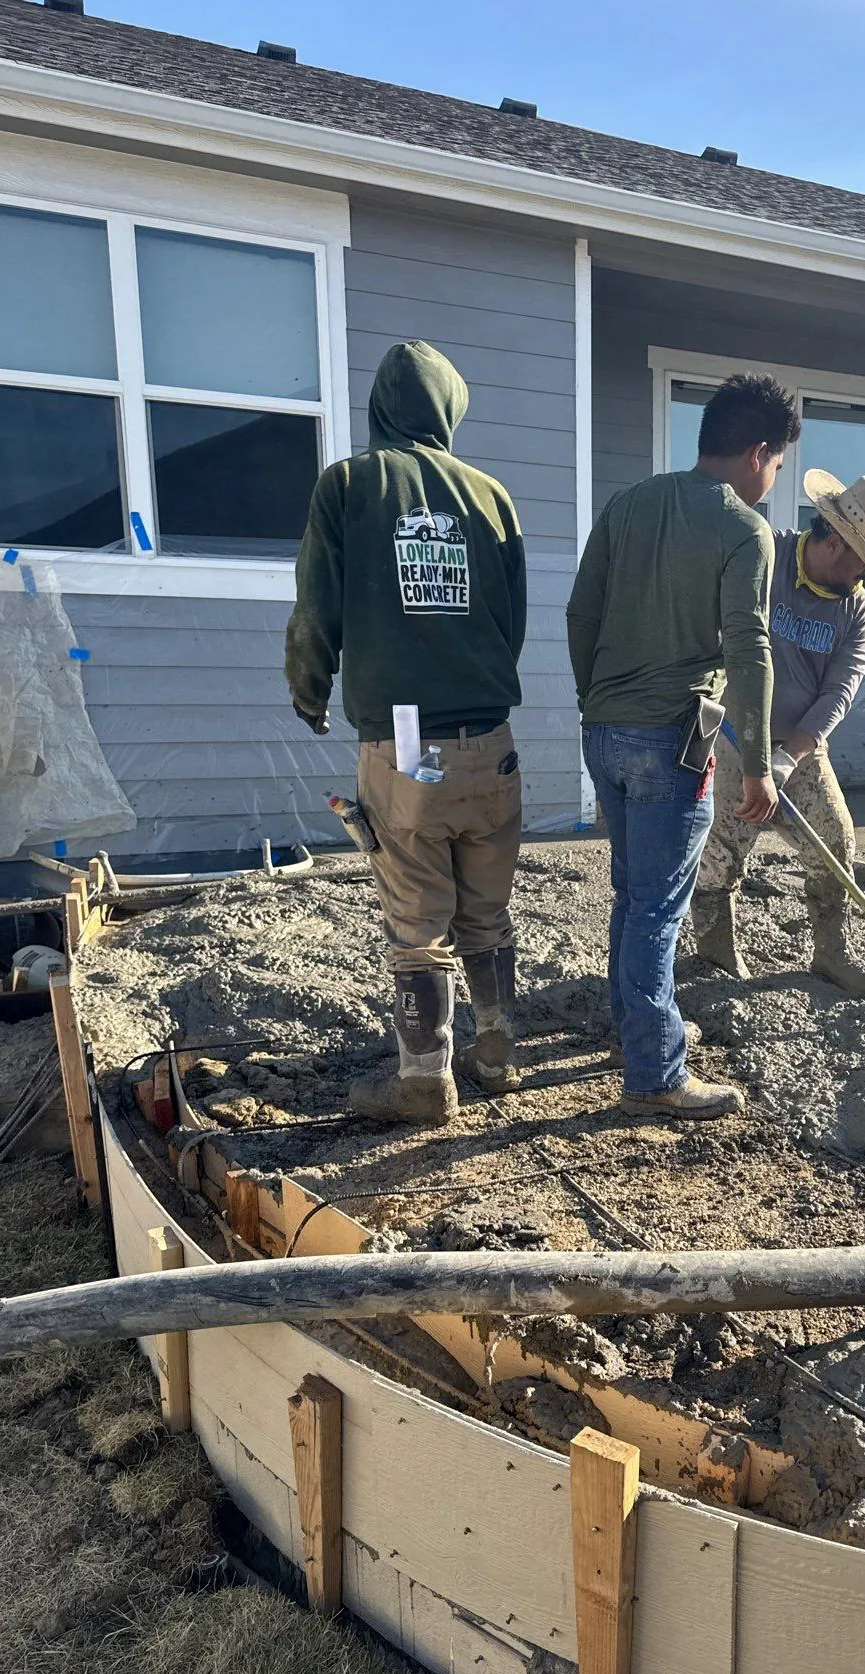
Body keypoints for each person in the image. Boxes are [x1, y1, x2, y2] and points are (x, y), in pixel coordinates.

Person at [285, 339, 526, 1128]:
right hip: (490, 739)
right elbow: (510, 619)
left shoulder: (349, 485)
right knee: (487, 910)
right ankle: (497, 1053)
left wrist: (310, 689)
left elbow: (318, 606)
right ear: (447, 407)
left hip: (407, 742)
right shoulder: (492, 495)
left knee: (418, 922)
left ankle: (426, 1082)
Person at [566, 372, 800, 1120]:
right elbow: (751, 647)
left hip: (604, 732)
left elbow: (581, 611)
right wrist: (761, 765)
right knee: (657, 909)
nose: (773, 481)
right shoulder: (743, 529)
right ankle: (656, 1074)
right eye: (777, 466)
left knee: (634, 894)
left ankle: (639, 1030)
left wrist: (594, 700)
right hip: (671, 741)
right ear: (758, 452)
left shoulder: (629, 504)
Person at [691, 470, 865, 996]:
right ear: (835, 540)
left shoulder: (856, 608)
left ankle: (830, 954)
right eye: (864, 561)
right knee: (722, 846)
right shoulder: (764, 555)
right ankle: (717, 953)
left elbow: (838, 693)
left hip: (797, 747)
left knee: (836, 839)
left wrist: (787, 759)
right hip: (730, 733)